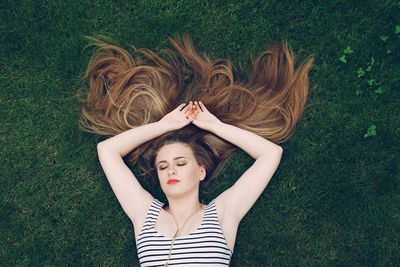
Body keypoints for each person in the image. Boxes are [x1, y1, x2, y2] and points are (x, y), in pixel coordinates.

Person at [78, 34, 313, 266]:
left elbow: (271, 153)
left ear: (201, 172)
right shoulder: (144, 213)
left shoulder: (222, 214)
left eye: (180, 163)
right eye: (163, 166)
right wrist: (163, 126)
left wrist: (215, 126)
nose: (170, 171)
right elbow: (107, 150)